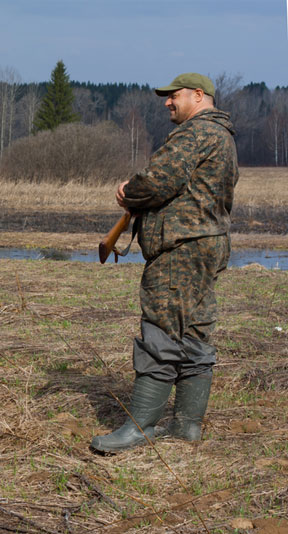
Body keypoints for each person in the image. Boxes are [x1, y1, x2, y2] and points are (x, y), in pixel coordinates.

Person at [91, 73, 238, 453]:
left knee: (160, 330)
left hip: (180, 250)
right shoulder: (223, 136)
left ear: (198, 95)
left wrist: (129, 192)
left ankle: (140, 427)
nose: (167, 103)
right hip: (206, 246)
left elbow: (157, 182)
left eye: (174, 96)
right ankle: (187, 427)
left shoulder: (196, 134)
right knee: (194, 330)